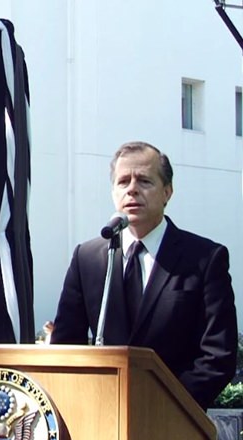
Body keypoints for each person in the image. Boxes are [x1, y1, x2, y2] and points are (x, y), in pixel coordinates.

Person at [51, 141, 238, 409]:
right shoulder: (88, 258)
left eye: (144, 181)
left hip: (174, 416)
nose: (132, 189)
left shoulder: (205, 259)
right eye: (123, 181)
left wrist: (162, 403)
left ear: (167, 192)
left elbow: (218, 355)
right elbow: (66, 347)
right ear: (113, 192)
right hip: (102, 414)